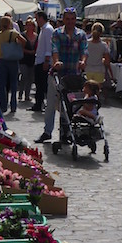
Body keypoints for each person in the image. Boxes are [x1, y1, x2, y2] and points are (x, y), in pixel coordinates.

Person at [36, 8, 87, 143]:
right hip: (58, 74)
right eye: (67, 19)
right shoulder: (57, 33)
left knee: (69, 104)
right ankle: (47, 132)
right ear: (63, 20)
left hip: (73, 75)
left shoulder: (81, 34)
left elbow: (84, 50)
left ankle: (66, 132)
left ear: (76, 20)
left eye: (72, 19)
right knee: (51, 104)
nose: (70, 22)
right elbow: (55, 48)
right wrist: (56, 61)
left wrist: (83, 61)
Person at [0, 15, 26, 115]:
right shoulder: (14, 33)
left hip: (2, 60)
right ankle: (13, 106)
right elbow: (24, 41)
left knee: (2, 83)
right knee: (13, 83)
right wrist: (18, 47)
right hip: (13, 60)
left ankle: (3, 105)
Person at [31, 11, 53, 113]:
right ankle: (38, 103)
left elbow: (49, 46)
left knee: (42, 84)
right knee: (39, 84)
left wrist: (47, 60)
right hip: (39, 60)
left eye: (37, 19)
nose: (36, 21)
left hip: (43, 61)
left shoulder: (48, 29)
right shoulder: (43, 29)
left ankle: (40, 104)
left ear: (41, 18)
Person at [84, 22, 112, 90]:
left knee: (88, 91)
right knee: (97, 91)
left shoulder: (86, 43)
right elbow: (107, 62)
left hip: (88, 70)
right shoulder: (104, 45)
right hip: (99, 70)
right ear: (101, 32)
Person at [18, 17, 38, 102]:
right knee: (24, 76)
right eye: (28, 25)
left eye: (31, 25)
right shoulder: (22, 35)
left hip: (33, 59)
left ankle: (27, 95)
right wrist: (29, 52)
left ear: (34, 27)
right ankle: (20, 93)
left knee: (30, 78)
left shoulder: (36, 36)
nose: (29, 27)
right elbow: (19, 48)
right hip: (23, 59)